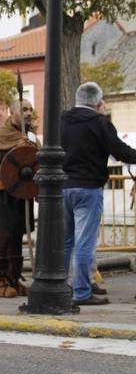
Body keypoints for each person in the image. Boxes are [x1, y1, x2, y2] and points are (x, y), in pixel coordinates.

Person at [61, 82, 136, 306]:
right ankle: (82, 292)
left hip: (63, 187)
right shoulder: (99, 122)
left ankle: (62, 286)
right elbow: (119, 151)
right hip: (88, 187)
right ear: (98, 102)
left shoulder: (62, 120)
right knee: (85, 242)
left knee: (66, 241)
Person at [0, 99, 39, 298]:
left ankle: (14, 279)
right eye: (23, 109)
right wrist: (15, 150)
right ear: (11, 112)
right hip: (3, 192)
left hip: (22, 192)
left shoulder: (30, 136)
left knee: (17, 236)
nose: (28, 113)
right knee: (6, 236)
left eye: (30, 109)